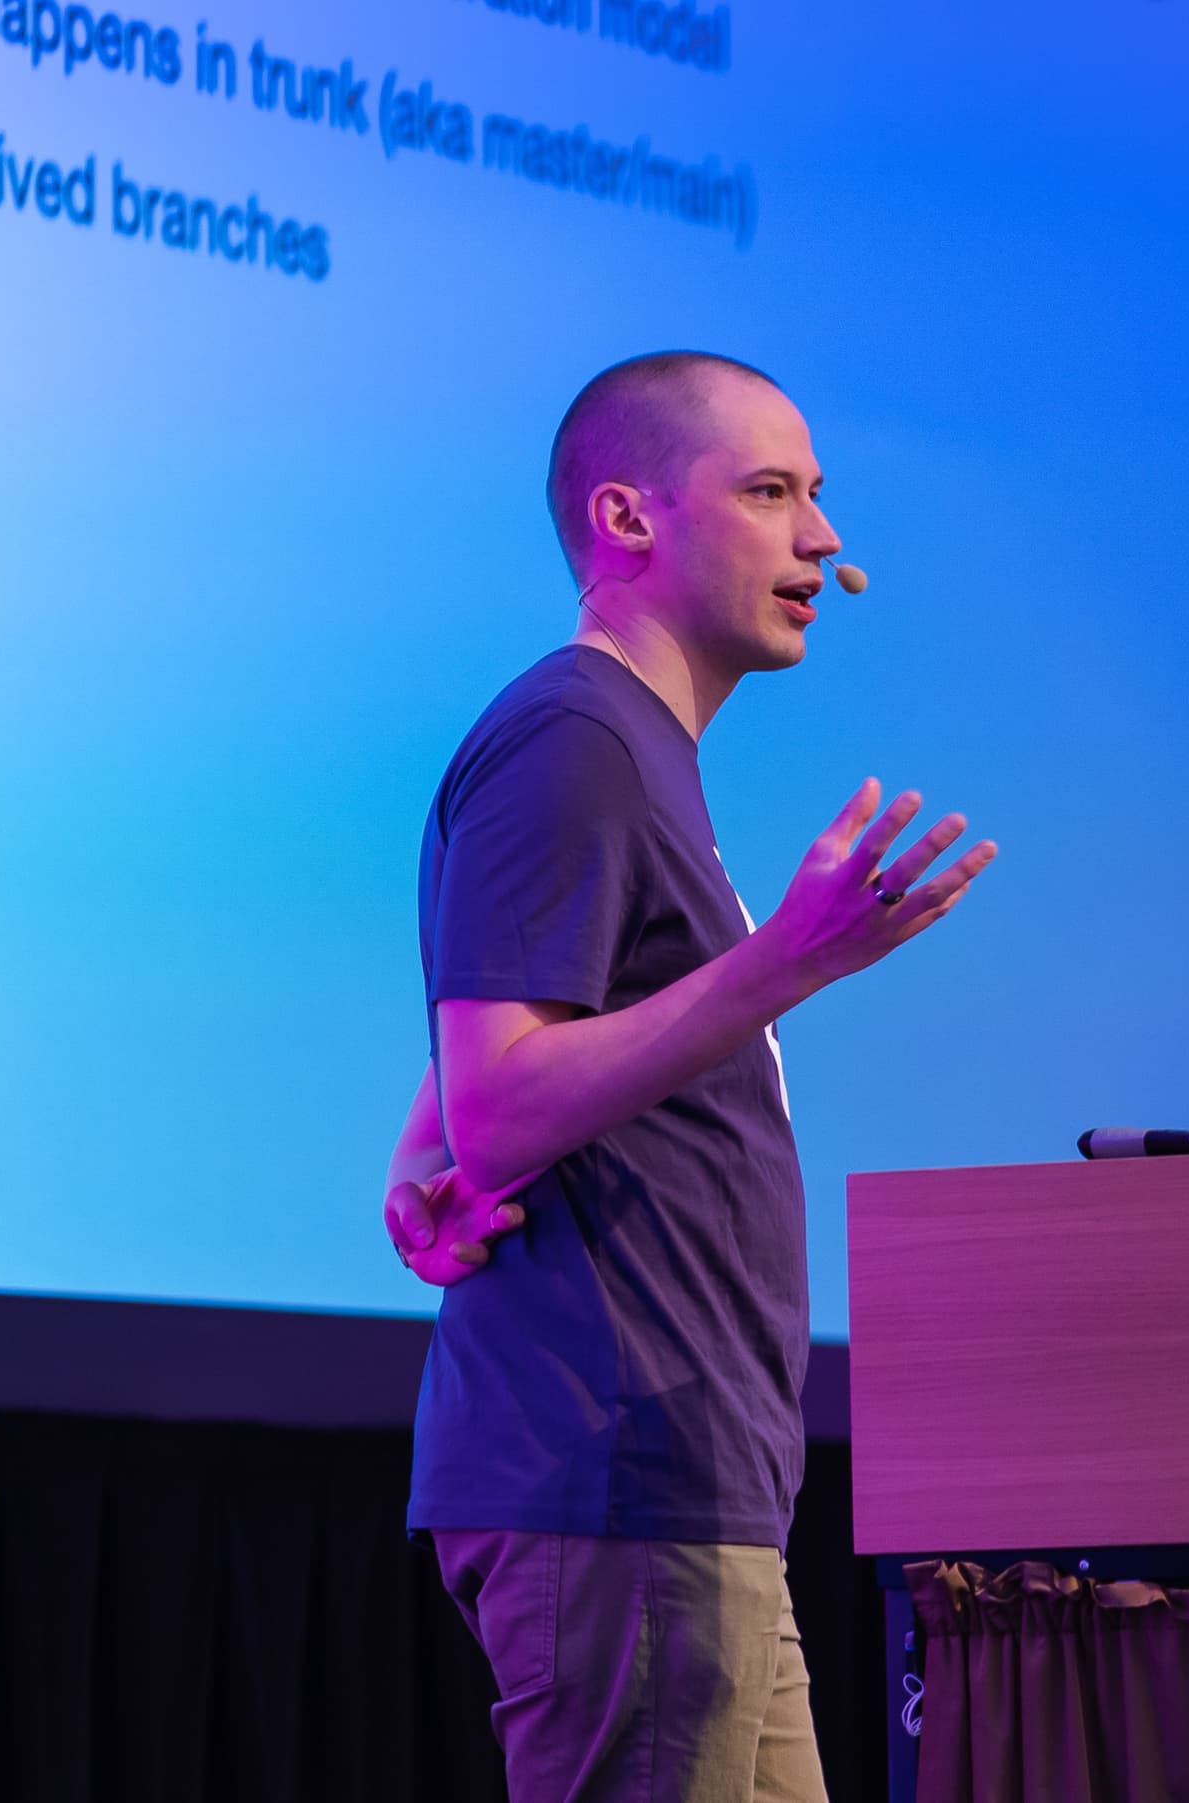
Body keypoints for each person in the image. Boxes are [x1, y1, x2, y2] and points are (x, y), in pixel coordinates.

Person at [380, 350, 997, 1801]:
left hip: (690, 1484)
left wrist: (425, 1152)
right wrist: (784, 962)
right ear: (628, 518)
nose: (822, 537)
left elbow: (495, 1051)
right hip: (618, 1476)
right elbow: (504, 1099)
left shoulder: (627, 747)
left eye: (817, 496)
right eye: (771, 492)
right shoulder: (576, 737)